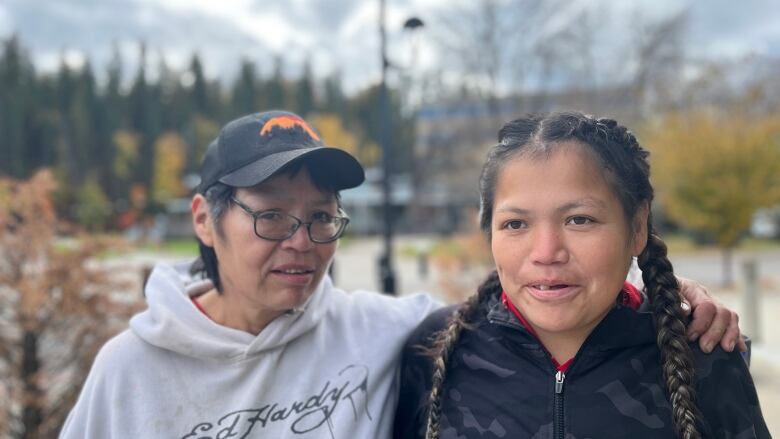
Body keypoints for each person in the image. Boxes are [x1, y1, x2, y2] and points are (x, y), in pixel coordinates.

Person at [60, 110, 745, 439]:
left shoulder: (393, 333)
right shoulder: (130, 372)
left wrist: (663, 296)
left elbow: (541, 306)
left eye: (322, 217)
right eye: (271, 217)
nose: (301, 243)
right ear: (206, 218)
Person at [393, 112, 770, 439]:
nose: (546, 253)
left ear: (637, 227)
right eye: (515, 223)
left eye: (579, 220)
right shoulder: (435, 348)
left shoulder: (702, 356)